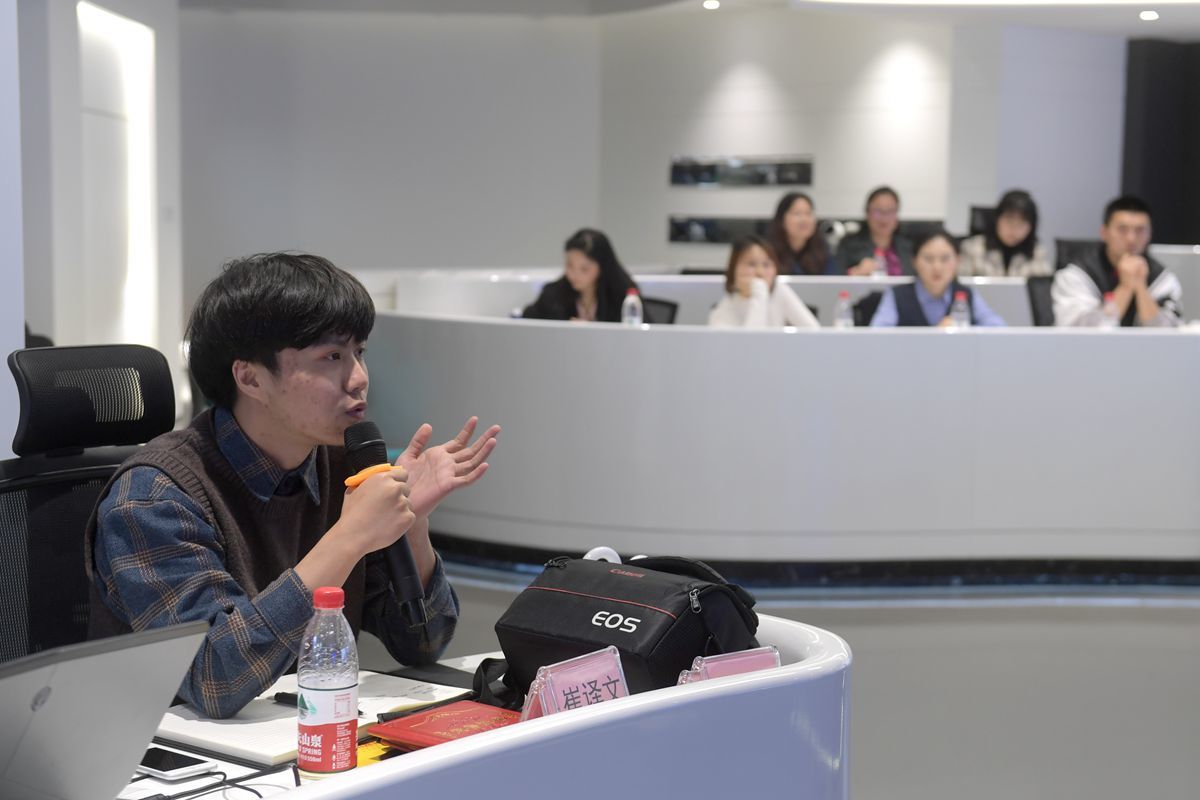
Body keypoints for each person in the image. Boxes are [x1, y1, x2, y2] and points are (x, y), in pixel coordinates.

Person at [84, 253, 500, 719]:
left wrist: (412, 525)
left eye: (360, 353)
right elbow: (215, 679)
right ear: (251, 378)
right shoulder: (153, 497)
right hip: (169, 753)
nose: (359, 379)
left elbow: (423, 643)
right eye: (332, 357)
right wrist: (349, 538)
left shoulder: (343, 463)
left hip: (301, 735)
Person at [1052, 196, 1181, 328]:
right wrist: (1125, 287)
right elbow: (1080, 332)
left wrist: (1140, 287)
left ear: (1150, 234)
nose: (1131, 239)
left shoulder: (1162, 278)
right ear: (1104, 232)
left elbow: (1168, 333)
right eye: (1122, 230)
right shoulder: (1076, 276)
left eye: (1140, 230)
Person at [871, 229, 1006, 327]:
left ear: (957, 261)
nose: (937, 267)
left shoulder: (967, 294)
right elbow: (877, 335)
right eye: (928, 259)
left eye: (945, 259)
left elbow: (999, 328)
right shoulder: (897, 295)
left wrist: (965, 329)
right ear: (914, 261)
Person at [522, 228, 638, 322]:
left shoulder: (624, 297)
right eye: (570, 265)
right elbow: (528, 323)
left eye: (584, 269)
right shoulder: (553, 295)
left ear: (603, 267)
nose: (574, 275)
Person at [708, 235, 820, 329]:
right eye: (751, 264)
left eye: (766, 265)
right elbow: (753, 342)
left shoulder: (780, 291)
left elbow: (814, 331)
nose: (760, 272)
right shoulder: (723, 310)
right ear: (734, 269)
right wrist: (759, 292)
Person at [958, 189, 1052, 278]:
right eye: (1009, 221)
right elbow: (959, 285)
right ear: (997, 219)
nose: (1014, 229)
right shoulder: (972, 248)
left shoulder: (1037, 252)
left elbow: (1044, 285)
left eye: (1021, 224)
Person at [834, 186, 914, 277]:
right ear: (867, 213)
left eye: (890, 211)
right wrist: (855, 273)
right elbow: (836, 279)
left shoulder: (909, 247)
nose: (884, 217)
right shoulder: (848, 245)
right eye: (878, 211)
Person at [766, 192, 836, 276]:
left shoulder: (823, 251)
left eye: (808, 213)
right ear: (781, 219)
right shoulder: (768, 252)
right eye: (797, 213)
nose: (804, 219)